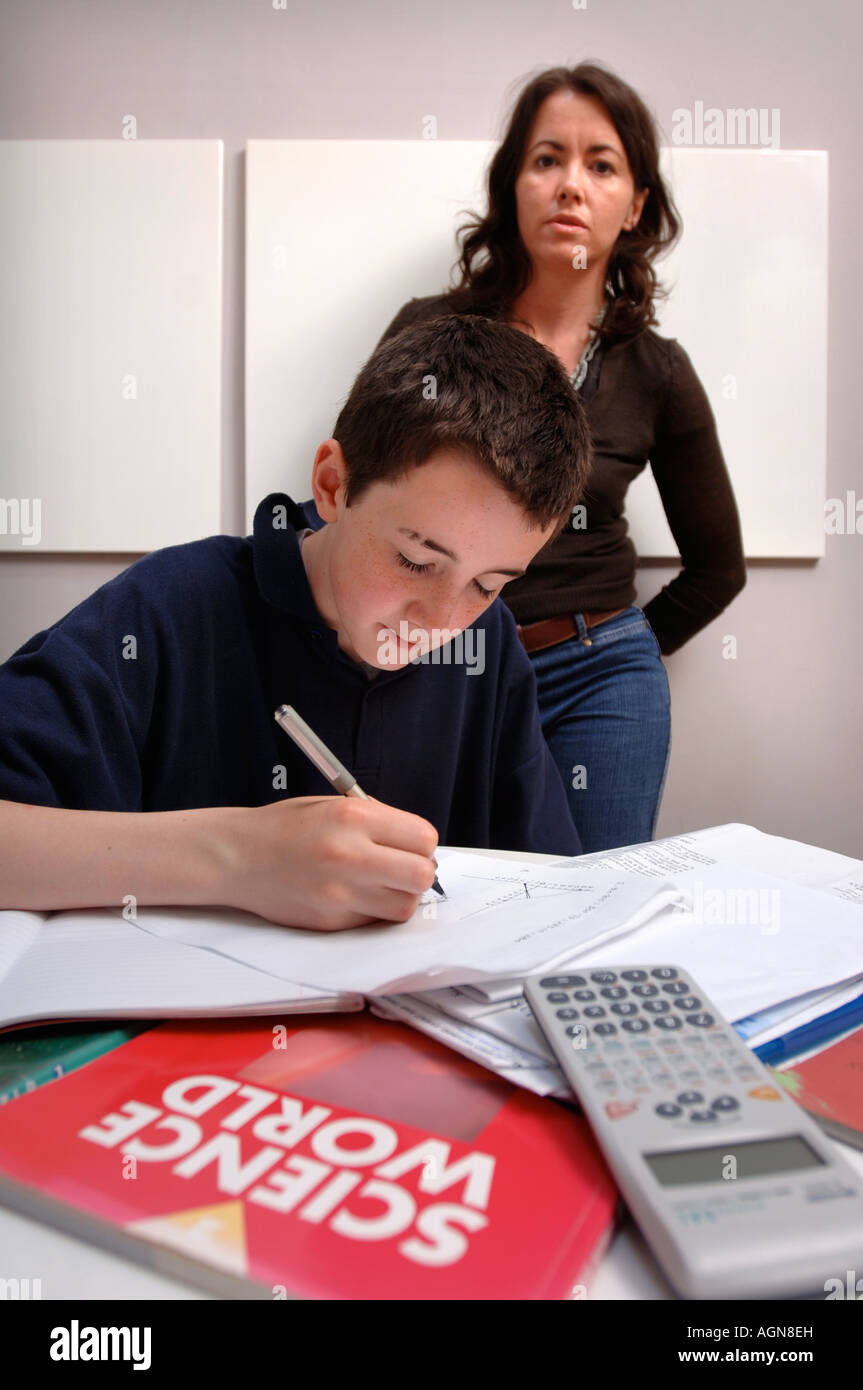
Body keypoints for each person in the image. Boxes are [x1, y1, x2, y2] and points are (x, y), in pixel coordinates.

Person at [0, 315, 592, 932]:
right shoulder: (169, 608)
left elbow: (551, 885)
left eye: (487, 584)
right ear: (334, 485)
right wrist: (236, 858)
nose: (439, 624)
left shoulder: (486, 644)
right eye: (416, 560)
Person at [375, 62, 747, 853]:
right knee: (435, 906)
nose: (570, 186)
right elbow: (360, 504)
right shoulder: (428, 329)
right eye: (546, 160)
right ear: (513, 183)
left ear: (635, 203)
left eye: (600, 164)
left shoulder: (658, 370)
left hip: (597, 679)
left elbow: (718, 570)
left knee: (583, 914)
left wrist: (617, 643)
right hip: (439, 662)